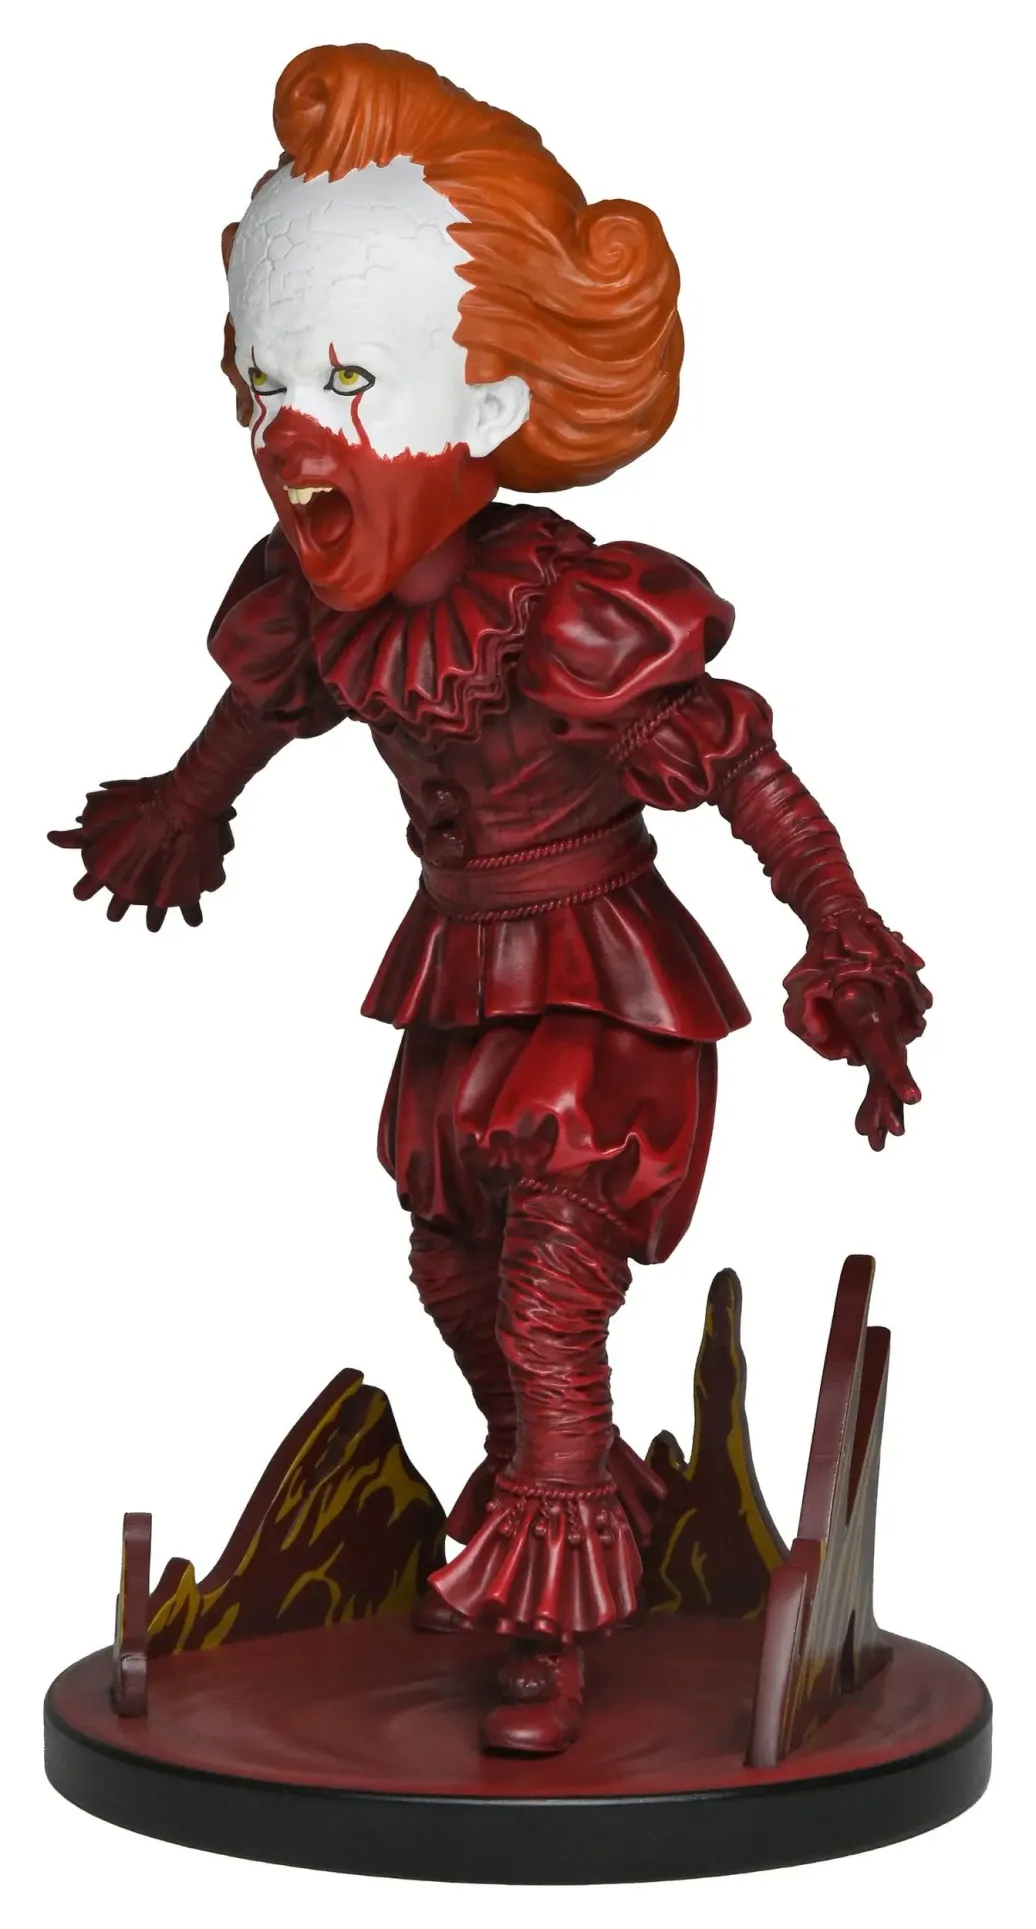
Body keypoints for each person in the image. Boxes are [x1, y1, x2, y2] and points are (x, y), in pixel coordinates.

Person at [50, 43, 929, 1754]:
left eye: (351, 374)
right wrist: (183, 804)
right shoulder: (322, 613)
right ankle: (551, 1494)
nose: (289, 429)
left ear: (497, 398)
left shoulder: (567, 619)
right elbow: (267, 712)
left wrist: (840, 927)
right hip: (462, 971)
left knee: (543, 1294)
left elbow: (740, 764)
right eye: (262, 379)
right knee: (453, 1268)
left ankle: (555, 1629)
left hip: (606, 987)